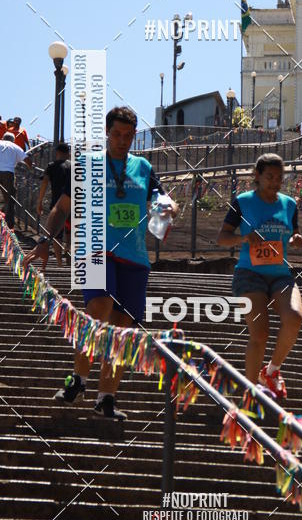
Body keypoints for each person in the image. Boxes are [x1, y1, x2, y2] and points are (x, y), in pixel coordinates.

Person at [24, 106, 178, 421]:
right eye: (117, 134)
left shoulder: (144, 167)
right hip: (95, 250)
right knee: (99, 311)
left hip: (135, 258)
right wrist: (44, 240)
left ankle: (106, 397)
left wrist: (169, 206)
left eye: (128, 135)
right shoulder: (88, 165)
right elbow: (61, 208)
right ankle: (78, 380)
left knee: (122, 332)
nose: (122, 141)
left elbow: (162, 199)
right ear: (107, 134)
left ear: (134, 135)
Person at [216, 153, 302, 399]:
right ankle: (250, 391)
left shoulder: (289, 204)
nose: (275, 182)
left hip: (280, 274)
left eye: (279, 177)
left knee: (295, 317)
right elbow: (222, 238)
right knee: (260, 333)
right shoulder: (243, 202)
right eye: (269, 177)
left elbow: (292, 234)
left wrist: (296, 240)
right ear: (257, 176)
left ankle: (272, 370)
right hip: (249, 274)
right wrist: (243, 237)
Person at [36, 142, 71, 267]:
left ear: (57, 153)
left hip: (57, 203)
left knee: (56, 234)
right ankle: (69, 247)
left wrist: (39, 202)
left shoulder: (51, 166)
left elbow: (45, 182)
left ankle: (60, 263)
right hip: (73, 203)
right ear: (68, 153)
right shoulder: (74, 166)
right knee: (72, 230)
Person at [0, 132, 32, 228]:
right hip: (8, 173)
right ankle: (8, 224)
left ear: (2, 137)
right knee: (9, 198)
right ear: (13, 140)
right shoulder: (15, 147)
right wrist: (30, 168)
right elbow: (28, 161)